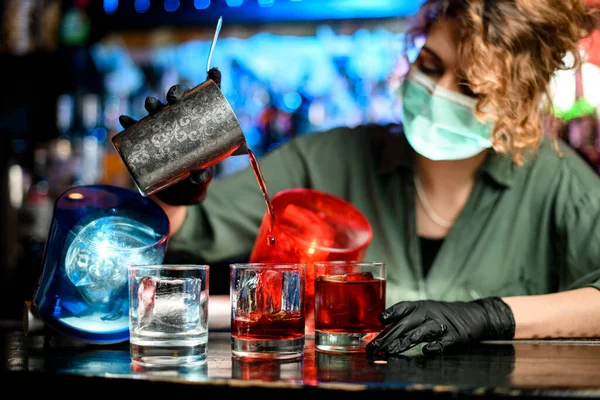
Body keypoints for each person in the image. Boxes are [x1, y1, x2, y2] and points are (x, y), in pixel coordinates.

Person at [119, 0, 600, 356]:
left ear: (518, 98)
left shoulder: (558, 183)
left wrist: (492, 316)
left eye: (471, 87)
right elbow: (181, 233)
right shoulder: (331, 159)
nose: (437, 93)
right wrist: (174, 175)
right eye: (429, 66)